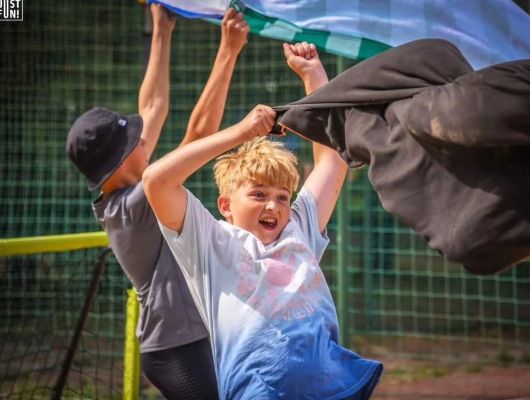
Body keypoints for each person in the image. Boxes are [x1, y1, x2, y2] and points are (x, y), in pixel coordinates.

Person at [143, 42, 383, 399]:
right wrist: (241, 133)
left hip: (333, 389)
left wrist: (314, 77)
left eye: (283, 197)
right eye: (258, 194)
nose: (274, 205)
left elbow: (332, 161)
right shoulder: (210, 242)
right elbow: (156, 180)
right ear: (226, 205)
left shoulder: (298, 228)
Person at [66, 5, 249, 399]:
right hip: (176, 350)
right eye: (134, 142)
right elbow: (199, 135)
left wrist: (161, 27)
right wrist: (228, 51)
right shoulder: (134, 204)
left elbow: (153, 107)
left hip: (190, 334)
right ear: (117, 164)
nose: (143, 140)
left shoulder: (127, 182)